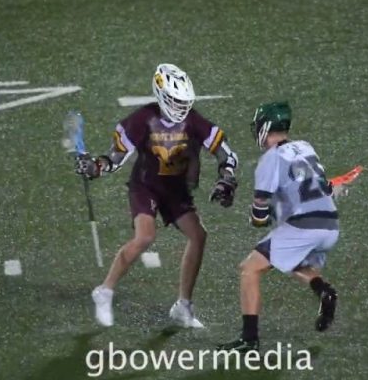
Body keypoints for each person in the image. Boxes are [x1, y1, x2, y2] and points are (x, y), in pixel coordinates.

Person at [75, 63, 239, 328]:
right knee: (145, 236)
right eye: (176, 101)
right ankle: (104, 291)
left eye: (184, 101)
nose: (181, 107)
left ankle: (183, 306)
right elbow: (116, 157)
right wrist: (96, 167)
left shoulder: (193, 120)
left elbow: (224, 151)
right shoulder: (143, 119)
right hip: (146, 186)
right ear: (162, 95)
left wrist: (227, 176)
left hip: (176, 190)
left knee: (198, 235)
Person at [218, 101, 345, 352]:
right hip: (330, 224)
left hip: (304, 226)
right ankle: (324, 291)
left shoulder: (271, 159)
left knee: (249, 269)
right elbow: (323, 185)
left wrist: (257, 218)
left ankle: (249, 339)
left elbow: (260, 212)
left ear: (265, 127)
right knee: (292, 260)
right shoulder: (306, 147)